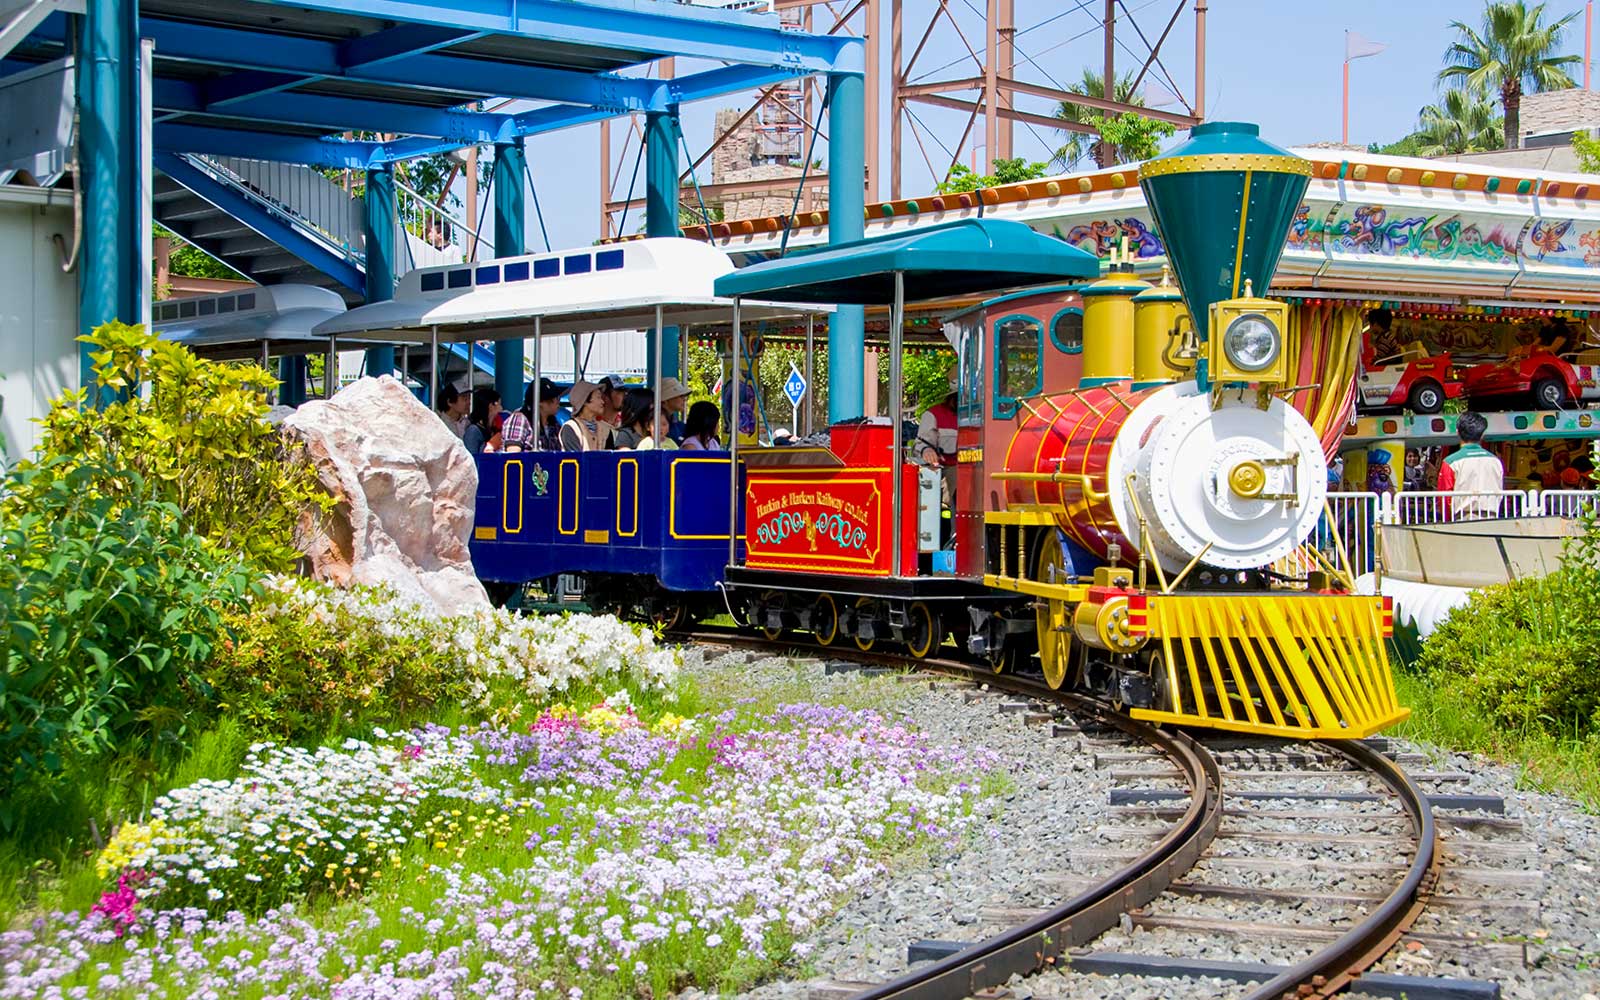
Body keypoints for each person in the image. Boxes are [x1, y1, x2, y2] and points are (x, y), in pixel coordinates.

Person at [1437, 411, 1504, 519]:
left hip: (1463, 519)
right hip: (1492, 518)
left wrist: (1448, 519)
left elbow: (1445, 498)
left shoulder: (1450, 462)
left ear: (1458, 432)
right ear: (1482, 434)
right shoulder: (1495, 461)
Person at [502, 378, 563, 453]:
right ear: (540, 402)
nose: (558, 403)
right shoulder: (519, 420)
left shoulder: (555, 425)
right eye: (556, 399)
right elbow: (512, 456)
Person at [559, 379, 614, 451]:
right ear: (585, 401)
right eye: (598, 397)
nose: (602, 402)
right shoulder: (571, 428)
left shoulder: (606, 429)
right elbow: (575, 459)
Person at [464, 388, 502, 455]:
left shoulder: (492, 429)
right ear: (491, 406)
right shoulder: (473, 431)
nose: (501, 408)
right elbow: (471, 457)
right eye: (499, 404)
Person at [659, 377, 692, 443]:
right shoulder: (655, 425)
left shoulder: (679, 426)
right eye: (680, 396)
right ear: (666, 399)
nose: (684, 399)